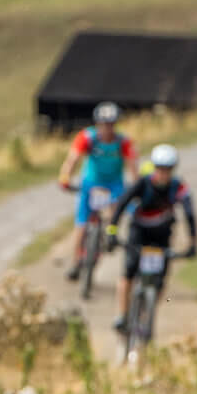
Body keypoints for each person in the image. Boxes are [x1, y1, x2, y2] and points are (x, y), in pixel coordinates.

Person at [104, 144, 197, 333]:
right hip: (138, 233)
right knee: (128, 274)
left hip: (162, 236)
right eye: (160, 169)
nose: (163, 174)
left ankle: (147, 317)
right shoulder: (143, 183)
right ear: (154, 167)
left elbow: (189, 213)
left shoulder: (178, 187)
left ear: (173, 170)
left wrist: (193, 242)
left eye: (168, 169)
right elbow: (122, 204)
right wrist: (112, 231)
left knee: (161, 282)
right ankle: (122, 315)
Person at [58, 102, 137, 280]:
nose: (107, 128)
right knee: (81, 223)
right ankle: (76, 262)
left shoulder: (124, 142)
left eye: (110, 124)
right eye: (103, 124)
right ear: (97, 124)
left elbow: (133, 167)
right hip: (91, 183)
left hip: (114, 185)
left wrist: (136, 186)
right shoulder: (87, 137)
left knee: (112, 215)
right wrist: (65, 177)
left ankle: (109, 237)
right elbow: (73, 159)